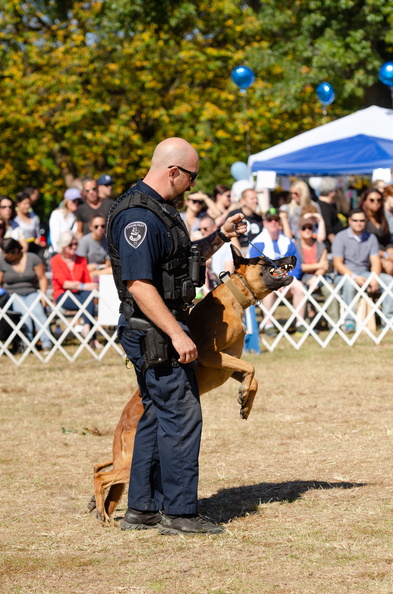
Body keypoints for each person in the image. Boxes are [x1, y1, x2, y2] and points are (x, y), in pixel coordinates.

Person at [106, 136, 246, 535]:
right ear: (173, 172)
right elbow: (138, 284)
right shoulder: (140, 218)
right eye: (191, 177)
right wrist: (177, 335)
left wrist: (220, 234)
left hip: (158, 327)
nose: (192, 186)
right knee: (182, 413)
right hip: (155, 330)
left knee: (157, 412)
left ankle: (143, 509)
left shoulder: (160, 211)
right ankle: (180, 514)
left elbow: (181, 262)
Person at [332, 208, 393, 333]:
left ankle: (387, 320)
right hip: (344, 275)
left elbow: (375, 261)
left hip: (365, 273)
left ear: (366, 222)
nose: (358, 223)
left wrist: (374, 277)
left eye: (362, 220)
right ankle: (349, 322)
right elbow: (338, 263)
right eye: (355, 220)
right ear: (349, 221)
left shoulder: (371, 238)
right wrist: (354, 276)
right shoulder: (340, 237)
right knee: (350, 283)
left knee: (389, 281)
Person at [249, 208, 306, 336]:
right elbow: (256, 269)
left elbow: (296, 265)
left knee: (299, 287)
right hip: (265, 282)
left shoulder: (288, 242)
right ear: (265, 222)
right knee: (268, 290)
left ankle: (300, 323)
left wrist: (285, 280)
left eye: (276, 219)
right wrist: (275, 280)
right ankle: (268, 324)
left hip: (286, 279)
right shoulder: (257, 243)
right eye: (270, 220)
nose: (273, 222)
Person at [0, 238, 52, 351]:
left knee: (38, 312)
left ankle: (47, 343)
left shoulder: (32, 258)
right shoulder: (3, 262)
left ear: (15, 250)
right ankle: (27, 344)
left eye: (6, 253)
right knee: (24, 315)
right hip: (12, 294)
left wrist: (43, 296)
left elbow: (42, 278)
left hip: (31, 292)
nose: (4, 256)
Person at [50, 231, 99, 345]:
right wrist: (82, 285)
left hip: (81, 295)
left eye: (76, 244)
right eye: (70, 245)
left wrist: (84, 286)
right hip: (62, 295)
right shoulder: (55, 260)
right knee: (87, 301)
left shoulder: (81, 260)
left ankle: (87, 327)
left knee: (88, 297)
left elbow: (88, 280)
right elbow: (64, 283)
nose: (74, 247)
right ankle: (92, 338)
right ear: (63, 246)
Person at [296, 216, 339, 327]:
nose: (307, 230)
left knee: (331, 290)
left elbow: (324, 266)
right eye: (304, 228)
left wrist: (315, 277)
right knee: (300, 291)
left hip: (320, 277)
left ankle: (334, 324)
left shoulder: (321, 246)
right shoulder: (295, 246)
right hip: (302, 278)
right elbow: (298, 267)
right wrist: (318, 265)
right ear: (299, 231)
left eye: (310, 228)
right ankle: (304, 325)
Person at [227, 188, 263, 252]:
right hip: (241, 250)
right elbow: (231, 235)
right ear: (243, 201)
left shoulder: (259, 218)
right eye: (252, 198)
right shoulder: (235, 215)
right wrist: (240, 254)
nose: (256, 201)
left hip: (258, 251)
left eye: (256, 198)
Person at [49, 188, 82, 255]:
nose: (76, 203)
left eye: (78, 201)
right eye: (73, 200)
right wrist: (59, 254)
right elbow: (55, 237)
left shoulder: (79, 217)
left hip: (74, 254)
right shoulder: (57, 214)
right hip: (60, 253)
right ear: (66, 201)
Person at [317, 177, 343, 252]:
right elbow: (328, 229)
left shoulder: (325, 205)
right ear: (331, 193)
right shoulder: (325, 207)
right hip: (329, 247)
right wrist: (338, 247)